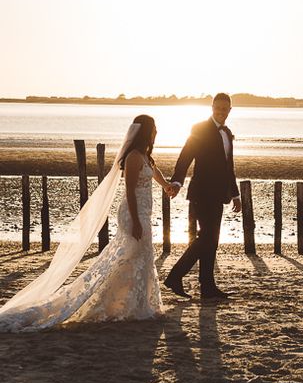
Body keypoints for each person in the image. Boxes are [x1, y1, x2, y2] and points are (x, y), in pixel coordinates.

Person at [0, 115, 170, 332]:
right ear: (145, 131)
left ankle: (137, 304)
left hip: (144, 212)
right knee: (134, 254)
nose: (156, 131)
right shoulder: (134, 157)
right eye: (154, 128)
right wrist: (136, 220)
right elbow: (129, 191)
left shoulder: (145, 156)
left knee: (139, 256)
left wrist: (166, 185)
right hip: (133, 213)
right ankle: (129, 304)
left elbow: (154, 172)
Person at [164, 93, 241, 300]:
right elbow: (185, 156)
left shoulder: (228, 132)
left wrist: (235, 194)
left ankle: (207, 287)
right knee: (206, 237)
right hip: (201, 193)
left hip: (219, 195)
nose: (221, 112)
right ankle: (175, 276)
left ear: (230, 110)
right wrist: (177, 182)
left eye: (225, 109)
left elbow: (228, 167)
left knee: (212, 240)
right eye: (218, 108)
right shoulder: (199, 128)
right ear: (212, 108)